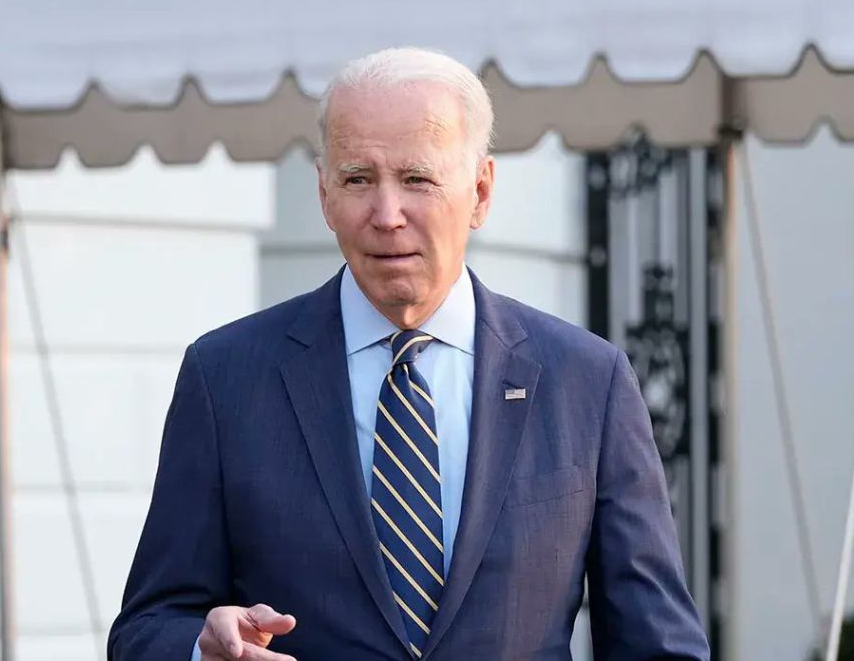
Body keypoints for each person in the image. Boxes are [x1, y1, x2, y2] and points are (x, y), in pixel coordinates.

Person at [108, 47, 709, 661]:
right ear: (323, 193)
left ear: (480, 192)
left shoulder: (586, 381)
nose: (386, 215)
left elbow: (657, 642)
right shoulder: (227, 378)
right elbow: (146, 628)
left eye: (417, 179)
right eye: (357, 180)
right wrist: (199, 650)